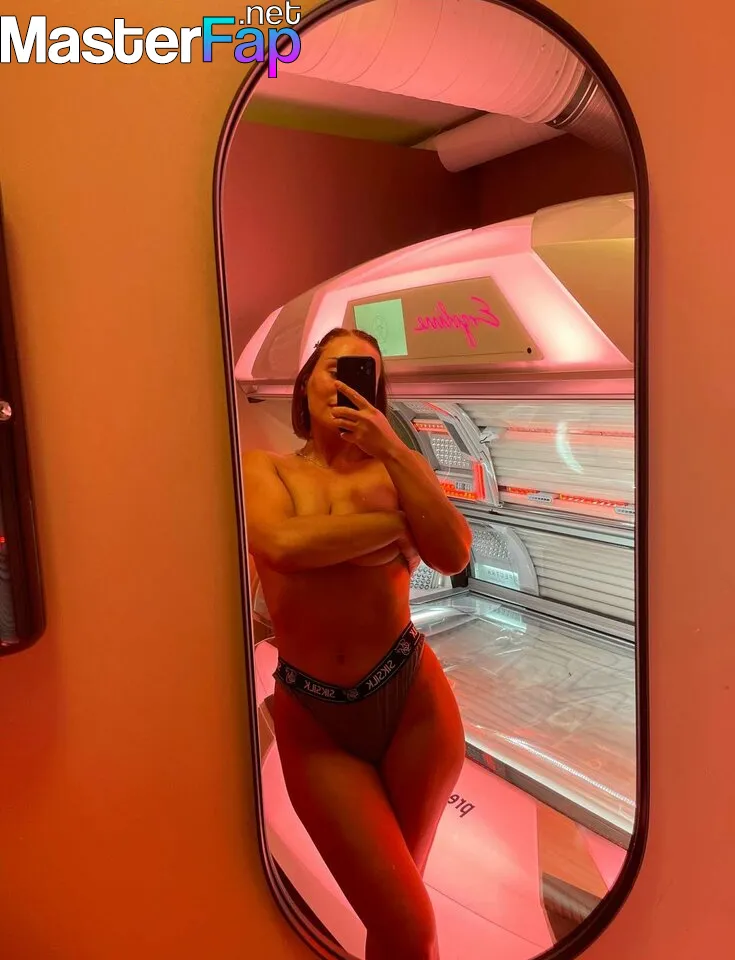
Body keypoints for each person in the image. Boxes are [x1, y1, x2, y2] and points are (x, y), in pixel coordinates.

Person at [242, 327, 472, 960]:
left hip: (413, 702)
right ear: (305, 385)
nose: (346, 383)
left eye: (365, 374)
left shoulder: (396, 469)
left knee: (400, 915)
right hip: (315, 717)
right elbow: (282, 545)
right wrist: (395, 527)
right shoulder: (268, 469)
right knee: (406, 921)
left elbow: (452, 553)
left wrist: (393, 447)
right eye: (334, 368)